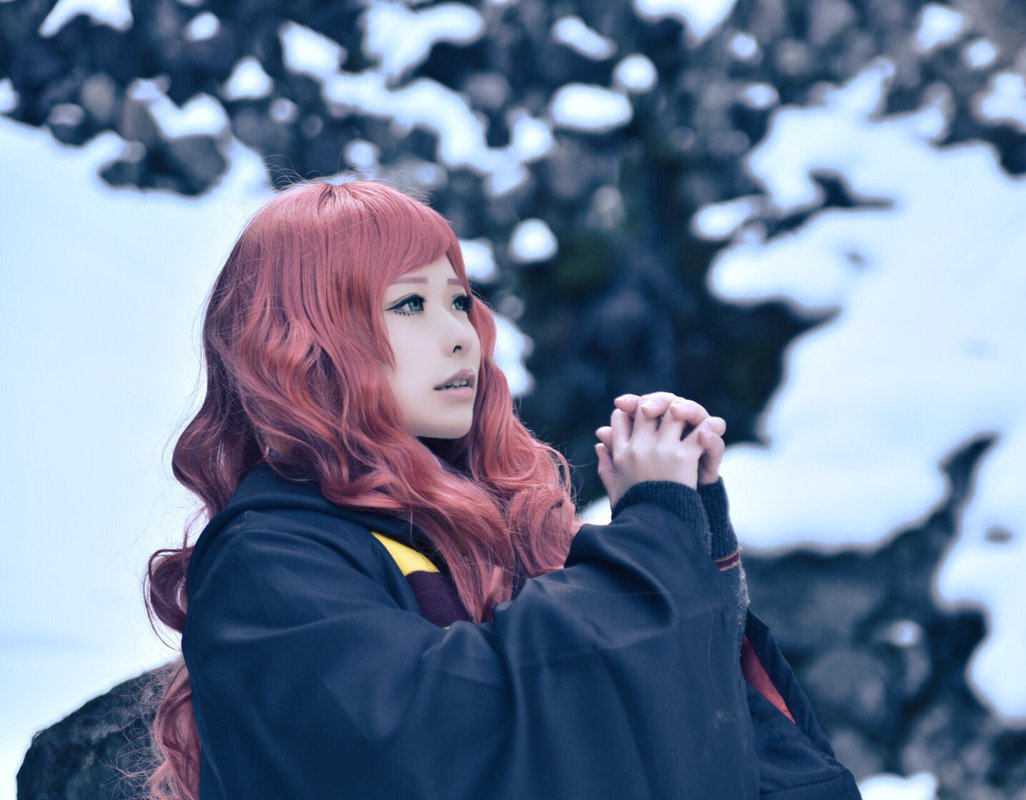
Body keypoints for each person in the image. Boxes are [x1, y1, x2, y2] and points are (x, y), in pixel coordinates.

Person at [143, 180, 861, 799]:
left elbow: (734, 751)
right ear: (302, 342)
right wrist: (652, 541)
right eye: (410, 305)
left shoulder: (503, 537)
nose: (461, 336)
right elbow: (449, 748)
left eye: (459, 302)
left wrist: (695, 534)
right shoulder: (263, 565)